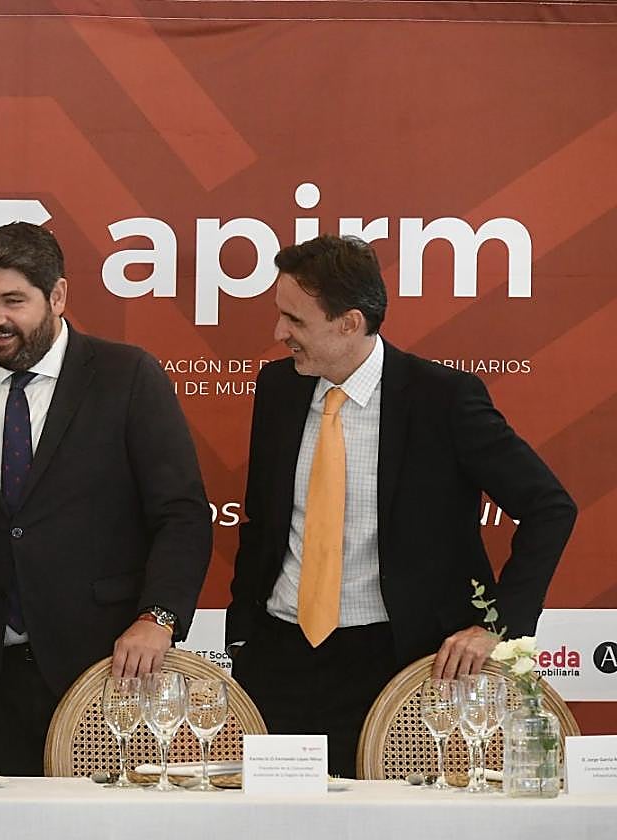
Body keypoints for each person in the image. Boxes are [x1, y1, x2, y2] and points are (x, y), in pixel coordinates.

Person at [226, 234, 577, 778]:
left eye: (295, 319)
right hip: (277, 660)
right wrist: (243, 634)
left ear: (349, 323)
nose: (278, 333)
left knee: (390, 817)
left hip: (399, 664)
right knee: (273, 819)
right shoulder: (278, 387)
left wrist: (499, 626)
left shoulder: (444, 400)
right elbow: (263, 521)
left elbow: (550, 507)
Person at [0, 222, 212, 776]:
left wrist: (160, 616)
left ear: (58, 296)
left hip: (100, 669)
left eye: (13, 301)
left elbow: (182, 514)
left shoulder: (128, 376)